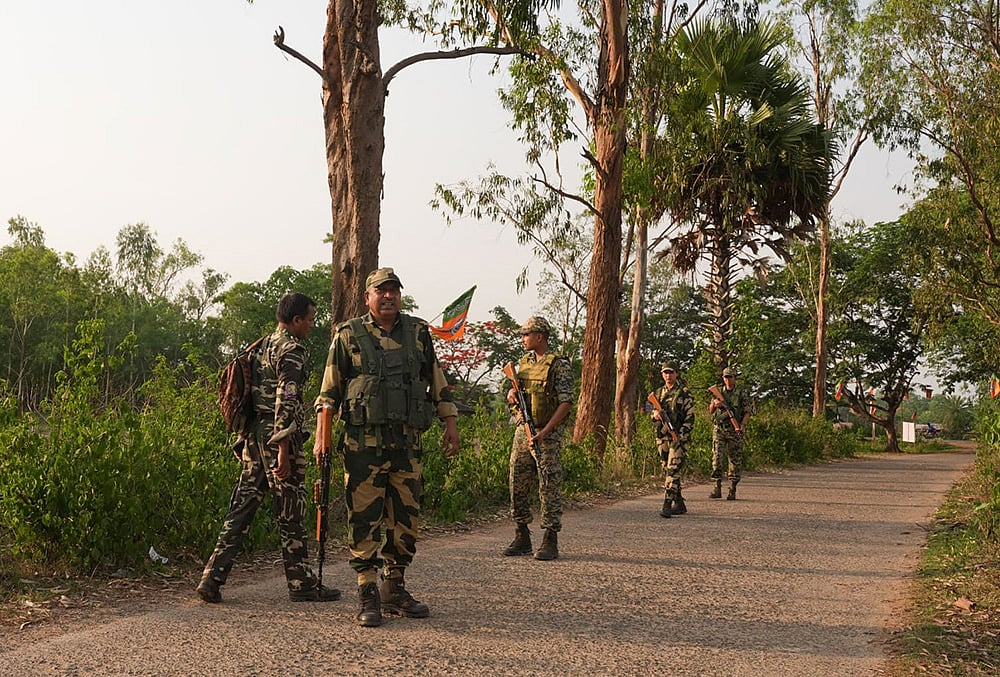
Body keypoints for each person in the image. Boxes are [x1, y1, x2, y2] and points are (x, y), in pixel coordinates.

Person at [314, 267, 459, 628]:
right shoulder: (348, 335)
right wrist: (321, 436)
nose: (389, 296)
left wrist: (451, 423)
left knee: (406, 519)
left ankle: (394, 586)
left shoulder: (418, 333)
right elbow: (329, 393)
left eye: (394, 290)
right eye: (382, 291)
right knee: (364, 518)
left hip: (406, 445)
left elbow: (436, 381)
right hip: (363, 446)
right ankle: (367, 589)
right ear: (368, 297)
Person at [197, 292, 340, 604]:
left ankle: (211, 578)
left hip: (254, 436)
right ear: (296, 320)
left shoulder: (261, 345)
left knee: (242, 508)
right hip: (278, 438)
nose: (312, 325)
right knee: (291, 508)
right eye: (310, 320)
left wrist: (248, 437)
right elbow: (285, 400)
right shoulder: (291, 350)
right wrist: (282, 448)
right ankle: (301, 582)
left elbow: (249, 393)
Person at [503, 315, 574, 561]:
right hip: (523, 431)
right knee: (517, 481)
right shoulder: (523, 363)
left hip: (548, 435)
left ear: (540, 336)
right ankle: (522, 534)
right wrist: (511, 394)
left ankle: (550, 538)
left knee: (549, 484)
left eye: (526, 334)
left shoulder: (558, 365)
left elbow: (566, 402)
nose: (523, 339)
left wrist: (545, 431)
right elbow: (516, 393)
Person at [649, 362, 695, 518]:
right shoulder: (657, 393)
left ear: (676, 374)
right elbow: (650, 411)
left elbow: (690, 417)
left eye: (671, 372)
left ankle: (667, 503)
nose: (668, 375)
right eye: (665, 373)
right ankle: (679, 502)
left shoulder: (684, 393)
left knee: (673, 469)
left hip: (678, 437)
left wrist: (681, 434)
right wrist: (655, 414)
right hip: (662, 437)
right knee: (667, 468)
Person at [708, 366, 751, 501]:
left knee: (734, 460)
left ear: (734, 378)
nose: (727, 380)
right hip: (719, 429)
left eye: (730, 377)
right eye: (725, 377)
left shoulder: (741, 393)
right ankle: (717, 487)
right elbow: (710, 411)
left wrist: (741, 426)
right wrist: (715, 404)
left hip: (734, 430)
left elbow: (747, 411)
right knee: (716, 458)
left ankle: (732, 488)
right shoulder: (718, 392)